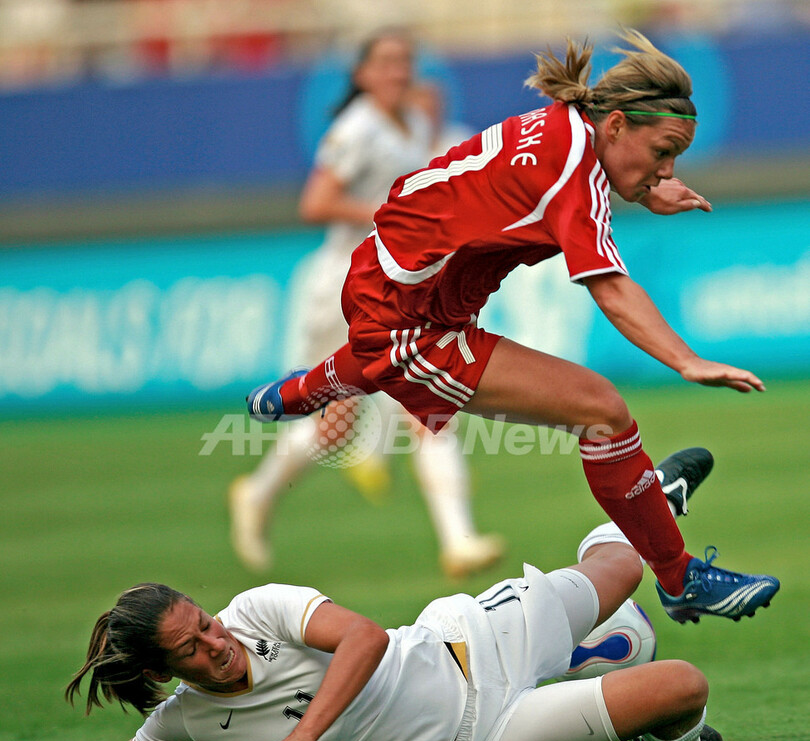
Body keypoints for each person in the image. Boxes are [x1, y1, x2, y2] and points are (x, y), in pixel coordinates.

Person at [246, 30, 779, 623]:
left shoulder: (567, 124)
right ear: (619, 125)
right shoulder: (573, 168)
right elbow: (610, 285)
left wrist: (643, 184)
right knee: (603, 412)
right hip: (410, 321)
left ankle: (304, 390)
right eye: (663, 153)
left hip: (400, 285)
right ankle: (679, 575)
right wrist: (686, 360)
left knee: (572, 406)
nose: (667, 168)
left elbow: (549, 190)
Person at [13, 448, 725, 741]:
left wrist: (302, 736)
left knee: (623, 567)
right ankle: (660, 723)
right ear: (161, 674)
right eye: (191, 648)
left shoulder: (258, 609)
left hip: (469, 642)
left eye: (204, 621)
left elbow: (366, 637)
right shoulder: (188, 722)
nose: (216, 641)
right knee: (683, 688)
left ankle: (648, 503)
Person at [229, 30, 504, 579]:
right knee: (335, 421)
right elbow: (317, 202)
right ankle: (257, 492)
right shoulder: (356, 129)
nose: (398, 72)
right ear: (362, 74)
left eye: (405, 61)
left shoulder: (417, 124)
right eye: (386, 63)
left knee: (426, 403)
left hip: (394, 286)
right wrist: (389, 215)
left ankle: (458, 539)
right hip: (341, 285)